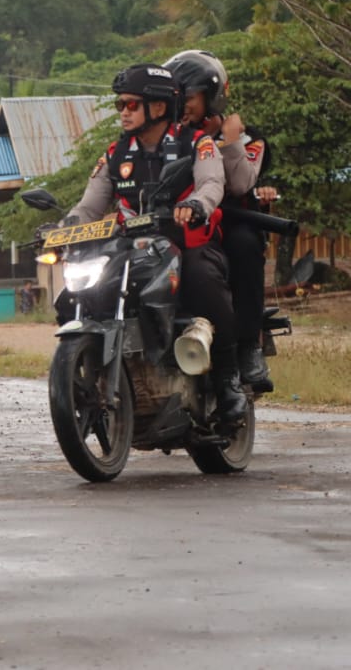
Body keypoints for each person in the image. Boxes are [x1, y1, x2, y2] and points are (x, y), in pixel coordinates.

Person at [67, 63, 247, 422]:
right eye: (120, 105)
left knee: (203, 278)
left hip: (187, 243)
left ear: (159, 107)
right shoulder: (115, 154)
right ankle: (88, 375)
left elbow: (211, 183)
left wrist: (196, 205)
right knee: (75, 294)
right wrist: (63, 228)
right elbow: (88, 207)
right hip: (129, 250)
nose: (123, 112)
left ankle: (229, 380)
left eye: (132, 105)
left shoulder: (197, 143)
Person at [164, 49, 276, 393]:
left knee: (244, 244)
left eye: (190, 97)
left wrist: (229, 141)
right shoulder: (165, 137)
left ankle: (248, 346)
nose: (182, 104)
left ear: (212, 96)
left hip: (228, 221)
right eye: (175, 96)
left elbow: (241, 183)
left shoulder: (248, 138)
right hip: (178, 223)